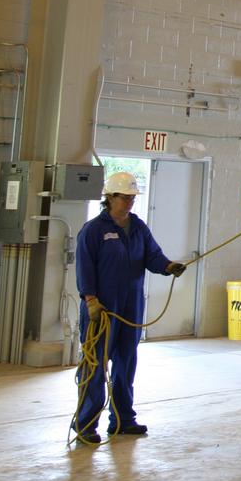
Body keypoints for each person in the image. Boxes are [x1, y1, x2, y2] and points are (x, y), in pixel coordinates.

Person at [72, 171, 186, 444]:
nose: (130, 202)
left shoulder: (138, 227)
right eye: (125, 197)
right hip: (102, 309)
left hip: (130, 306)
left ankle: (123, 420)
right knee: (95, 365)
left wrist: (168, 266)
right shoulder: (93, 230)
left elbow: (153, 256)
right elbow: (84, 267)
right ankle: (85, 424)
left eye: (132, 197)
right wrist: (90, 300)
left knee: (126, 363)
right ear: (110, 197)